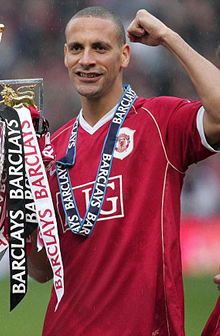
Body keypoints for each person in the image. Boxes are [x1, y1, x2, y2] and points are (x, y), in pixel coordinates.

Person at [28, 6, 220, 335]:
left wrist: (169, 38)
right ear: (65, 56)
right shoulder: (50, 152)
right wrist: (19, 212)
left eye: (100, 48)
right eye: (77, 48)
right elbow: (43, 271)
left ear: (125, 55)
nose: (86, 60)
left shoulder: (161, 121)